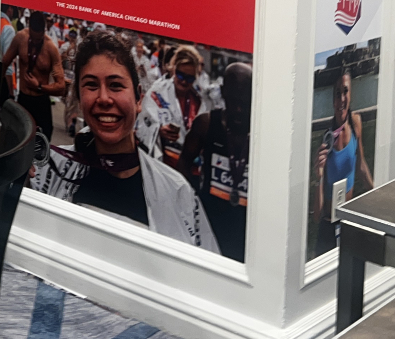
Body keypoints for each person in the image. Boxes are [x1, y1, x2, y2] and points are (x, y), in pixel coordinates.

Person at [29, 31, 219, 252]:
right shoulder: (47, 171)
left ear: (139, 98)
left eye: (116, 85)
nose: (103, 98)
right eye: (91, 85)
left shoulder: (177, 192)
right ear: (80, 100)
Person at [181, 61, 251, 261]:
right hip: (208, 225)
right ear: (222, 93)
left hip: (245, 232)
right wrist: (190, 201)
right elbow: (184, 160)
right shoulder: (206, 124)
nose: (238, 110)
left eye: (244, 104)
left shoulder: (262, 131)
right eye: (233, 101)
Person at [311, 68, 375, 255]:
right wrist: (319, 177)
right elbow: (316, 215)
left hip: (348, 218)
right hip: (328, 227)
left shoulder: (356, 122)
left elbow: (361, 165)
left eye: (345, 91)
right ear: (332, 100)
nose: (342, 99)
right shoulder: (327, 141)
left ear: (351, 93)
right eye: (337, 94)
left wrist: (377, 195)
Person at [138, 45, 212, 171]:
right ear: (173, 70)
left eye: (189, 78)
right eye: (180, 75)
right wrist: (158, 130)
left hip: (188, 168)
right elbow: (140, 125)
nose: (184, 82)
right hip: (161, 165)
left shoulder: (199, 100)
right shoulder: (157, 93)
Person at [3, 11, 67, 141]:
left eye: (40, 39)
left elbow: (61, 87)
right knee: (17, 140)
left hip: (41, 101)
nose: (37, 43)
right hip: (23, 99)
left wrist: (39, 87)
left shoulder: (51, 49)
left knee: (42, 143)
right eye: (34, 39)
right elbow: (4, 65)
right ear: (29, 29)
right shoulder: (20, 39)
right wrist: (6, 94)